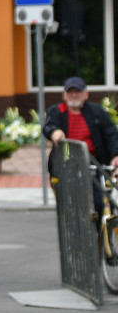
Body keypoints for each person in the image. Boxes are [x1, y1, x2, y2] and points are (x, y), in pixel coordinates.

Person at [43, 76, 118, 217]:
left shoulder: (96, 112)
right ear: (64, 95)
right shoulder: (57, 111)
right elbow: (48, 126)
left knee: (100, 201)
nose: (74, 95)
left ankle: (100, 234)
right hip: (67, 164)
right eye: (70, 92)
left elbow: (111, 133)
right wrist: (55, 132)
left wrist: (116, 154)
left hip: (94, 163)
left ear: (86, 94)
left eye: (78, 91)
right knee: (71, 207)